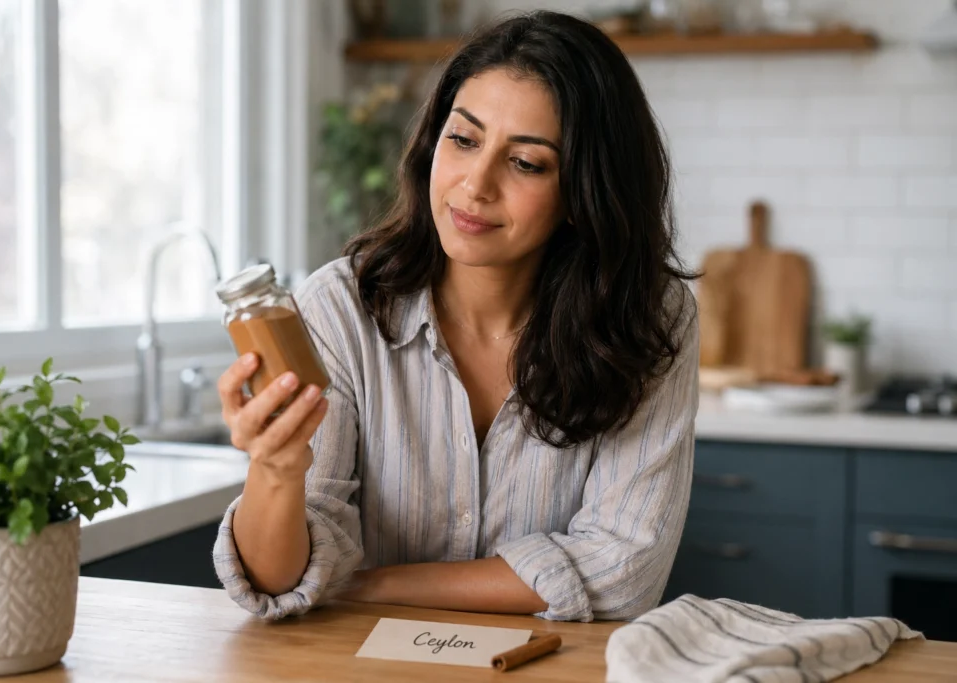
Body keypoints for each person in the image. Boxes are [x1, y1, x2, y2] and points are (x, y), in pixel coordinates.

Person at [212, 9, 699, 623]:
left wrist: (363, 586)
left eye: (526, 163)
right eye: (463, 140)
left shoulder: (650, 319)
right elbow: (279, 580)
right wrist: (276, 471)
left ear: (584, 192)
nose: (474, 185)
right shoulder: (340, 308)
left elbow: (625, 571)